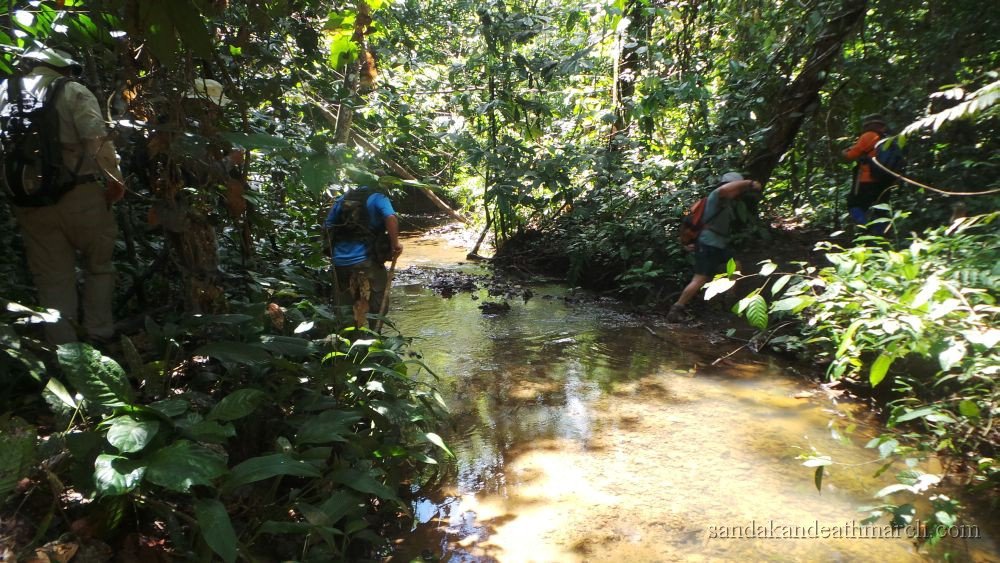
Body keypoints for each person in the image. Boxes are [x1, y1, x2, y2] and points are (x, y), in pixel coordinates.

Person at [1, 47, 125, 345]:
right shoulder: (74, 91)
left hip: (28, 201)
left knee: (52, 277)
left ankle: (64, 349)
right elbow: (97, 142)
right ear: (64, 68)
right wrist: (115, 181)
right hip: (81, 195)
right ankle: (99, 335)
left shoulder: (4, 92)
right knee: (99, 266)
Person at [667, 172, 762, 322]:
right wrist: (749, 183)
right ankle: (677, 309)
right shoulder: (716, 197)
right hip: (707, 244)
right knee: (700, 279)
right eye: (737, 188)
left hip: (718, 245)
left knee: (736, 265)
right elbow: (723, 190)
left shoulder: (727, 204)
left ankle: (727, 299)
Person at [323, 170, 403, 329]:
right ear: (382, 182)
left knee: (345, 305)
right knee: (378, 302)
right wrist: (395, 244)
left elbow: (326, 226)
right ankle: (374, 336)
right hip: (367, 260)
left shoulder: (342, 199)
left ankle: (348, 340)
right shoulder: (379, 197)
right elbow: (390, 217)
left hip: (340, 261)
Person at [842, 114, 892, 233]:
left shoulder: (868, 136)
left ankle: (866, 229)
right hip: (886, 180)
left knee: (854, 204)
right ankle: (880, 236)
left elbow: (851, 155)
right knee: (881, 209)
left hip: (867, 180)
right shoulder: (889, 139)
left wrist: (844, 152)